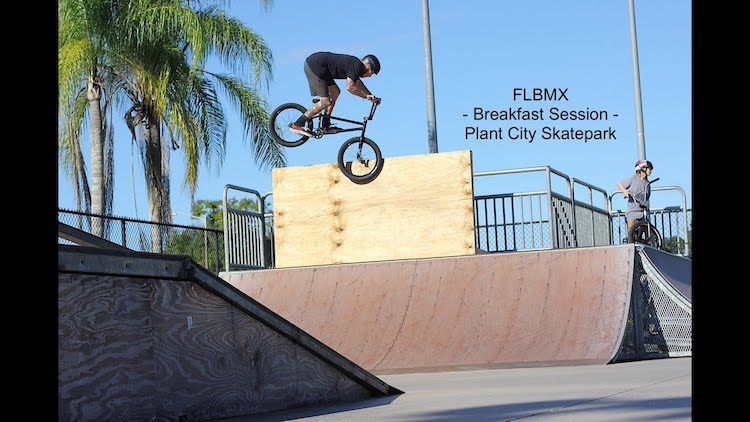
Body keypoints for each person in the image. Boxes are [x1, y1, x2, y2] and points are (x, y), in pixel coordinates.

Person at [288, 52, 380, 137]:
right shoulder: (357, 65)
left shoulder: (356, 67)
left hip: (323, 70)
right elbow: (350, 87)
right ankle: (297, 124)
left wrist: (371, 97)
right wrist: (366, 96)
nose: (369, 76)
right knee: (325, 102)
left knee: (335, 92)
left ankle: (326, 123)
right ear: (368, 67)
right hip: (315, 66)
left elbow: (358, 84)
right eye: (371, 73)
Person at [617, 159, 654, 234]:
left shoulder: (647, 183)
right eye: (649, 169)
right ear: (643, 168)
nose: (651, 171)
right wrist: (625, 191)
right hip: (633, 212)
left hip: (643, 212)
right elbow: (619, 184)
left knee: (648, 233)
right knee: (632, 232)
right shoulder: (633, 179)